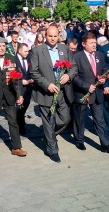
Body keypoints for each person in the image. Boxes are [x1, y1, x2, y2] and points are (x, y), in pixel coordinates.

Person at [30, 25, 78, 163]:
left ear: (59, 36)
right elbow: (34, 71)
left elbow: (74, 66)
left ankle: (49, 133)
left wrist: (68, 76)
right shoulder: (37, 51)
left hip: (63, 90)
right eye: (50, 36)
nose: (52, 38)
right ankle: (52, 149)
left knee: (65, 118)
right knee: (48, 120)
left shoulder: (64, 49)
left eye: (55, 36)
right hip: (46, 92)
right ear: (46, 36)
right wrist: (47, 84)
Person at [72, 32, 109, 153]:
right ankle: (79, 140)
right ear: (83, 44)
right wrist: (86, 86)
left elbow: (104, 70)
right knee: (80, 118)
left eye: (94, 43)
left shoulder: (99, 55)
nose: (94, 45)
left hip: (97, 92)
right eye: (91, 43)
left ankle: (105, 144)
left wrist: (104, 78)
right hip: (82, 93)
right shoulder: (77, 57)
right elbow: (74, 77)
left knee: (99, 119)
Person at [0, 36, 27, 157]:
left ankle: (16, 147)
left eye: (4, 46)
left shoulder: (11, 58)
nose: (2, 48)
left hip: (9, 94)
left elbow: (18, 77)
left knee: (13, 121)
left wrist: (19, 94)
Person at [15, 43, 33, 135]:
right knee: (19, 108)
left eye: (28, 51)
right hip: (18, 88)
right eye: (25, 51)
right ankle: (19, 126)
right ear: (19, 50)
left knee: (25, 106)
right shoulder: (14, 60)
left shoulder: (28, 58)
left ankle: (21, 124)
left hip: (28, 88)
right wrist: (21, 81)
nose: (27, 53)